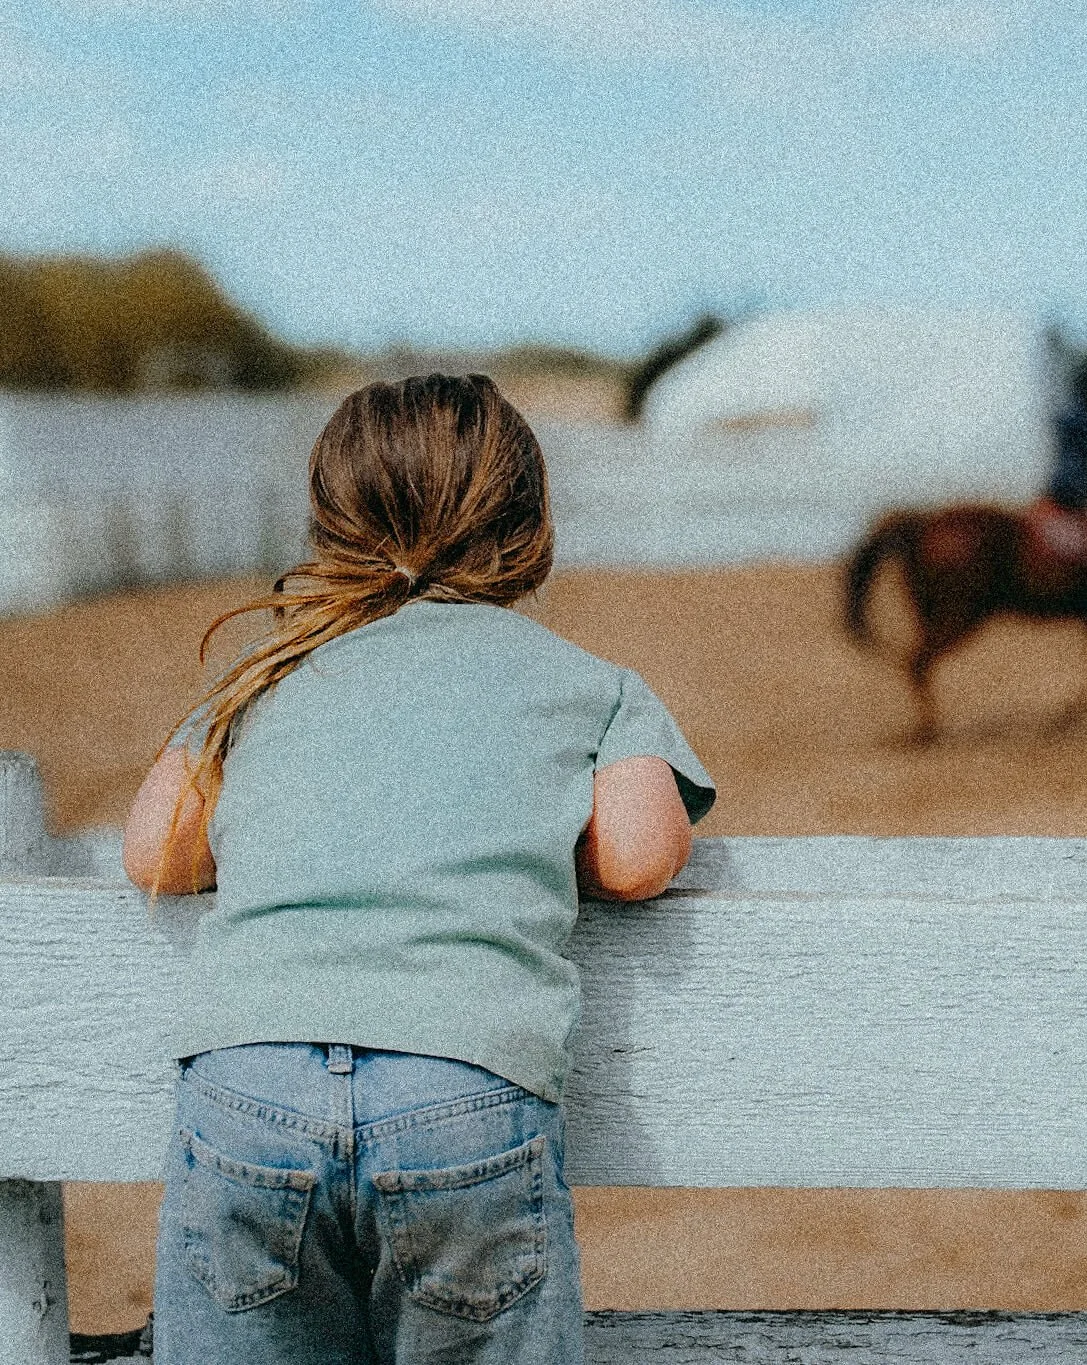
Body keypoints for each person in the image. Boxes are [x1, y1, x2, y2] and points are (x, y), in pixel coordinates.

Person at [122, 373, 715, 1365]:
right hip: (462, 1088)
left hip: (247, 1086)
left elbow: (158, 852)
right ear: (527, 524)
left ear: (329, 522)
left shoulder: (265, 675)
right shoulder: (586, 685)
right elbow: (640, 857)